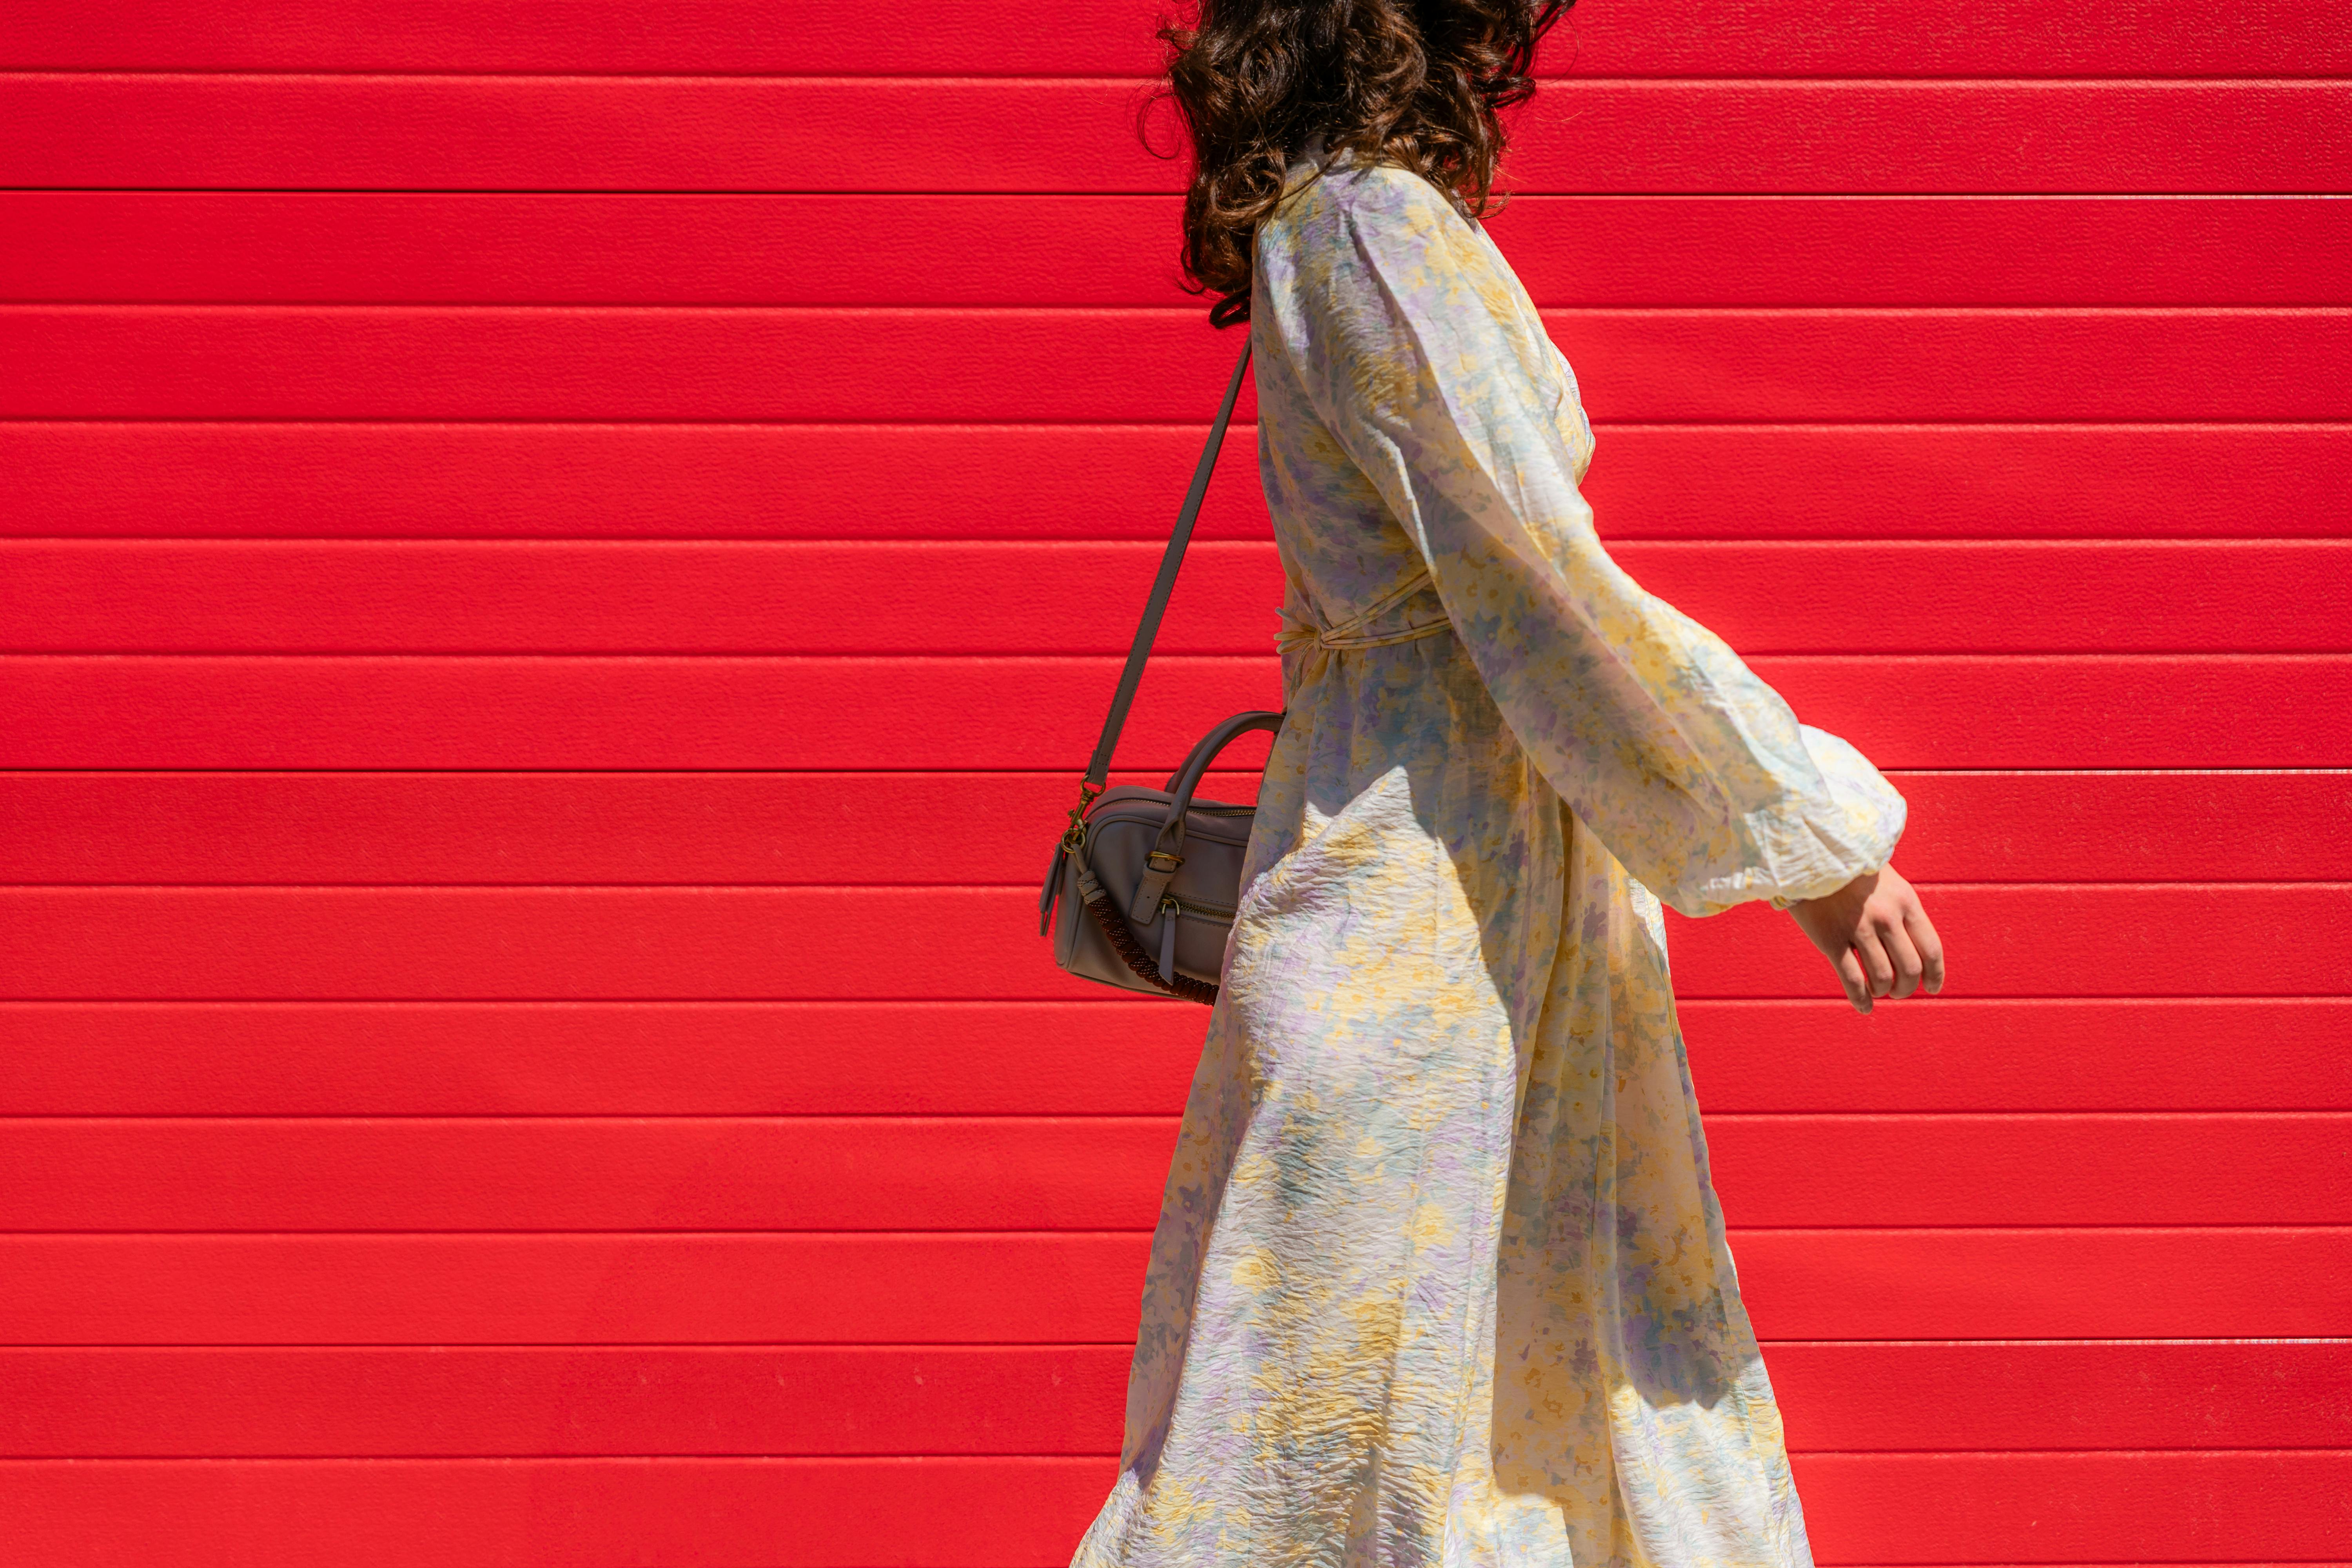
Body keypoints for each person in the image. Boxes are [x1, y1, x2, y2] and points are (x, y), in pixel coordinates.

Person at [1070, 0, 1946, 1562]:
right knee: (1376, 1427)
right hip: (1427, 931)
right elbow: (1547, 590)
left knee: (1417, 1421)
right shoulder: (1369, 224)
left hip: (1452, 907)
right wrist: (1810, 840)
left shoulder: (1319, 220)